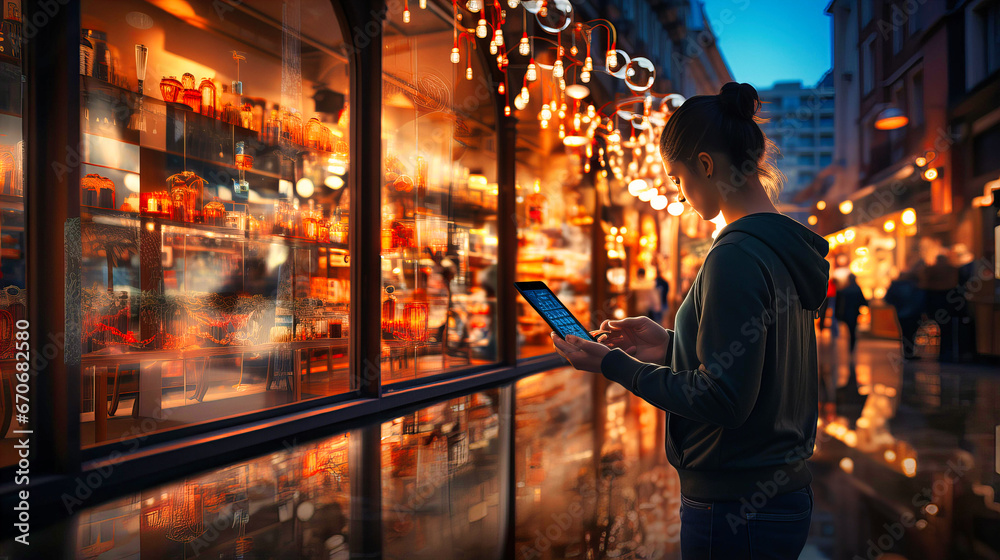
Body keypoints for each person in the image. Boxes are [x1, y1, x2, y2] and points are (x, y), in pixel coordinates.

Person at [551, 82, 828, 560]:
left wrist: (613, 365)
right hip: (776, 493)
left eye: (677, 179)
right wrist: (672, 343)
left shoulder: (736, 255)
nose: (678, 194)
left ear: (705, 165)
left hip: (735, 504)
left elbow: (723, 399)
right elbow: (757, 360)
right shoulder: (780, 249)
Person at [883, 270, 924, 360]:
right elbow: (921, 300)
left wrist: (898, 305)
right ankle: (909, 352)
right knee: (912, 333)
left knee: (905, 332)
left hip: (901, 313)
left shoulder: (896, 286)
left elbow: (888, 299)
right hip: (914, 313)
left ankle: (907, 352)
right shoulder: (916, 286)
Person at [835, 273, 867, 356]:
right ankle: (852, 346)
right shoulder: (857, 289)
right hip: (855, 312)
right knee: (853, 330)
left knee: (849, 329)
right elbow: (863, 302)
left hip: (846, 312)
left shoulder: (845, 290)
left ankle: (851, 346)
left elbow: (839, 302)